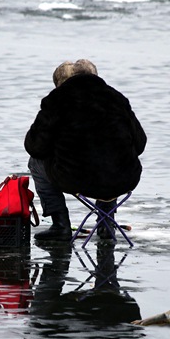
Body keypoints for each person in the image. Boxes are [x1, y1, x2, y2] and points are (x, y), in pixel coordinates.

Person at [24, 59, 147, 242]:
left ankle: (60, 225)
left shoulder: (57, 99)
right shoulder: (117, 98)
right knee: (111, 159)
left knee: (35, 163)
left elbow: (35, 147)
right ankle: (107, 225)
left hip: (74, 179)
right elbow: (140, 143)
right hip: (123, 180)